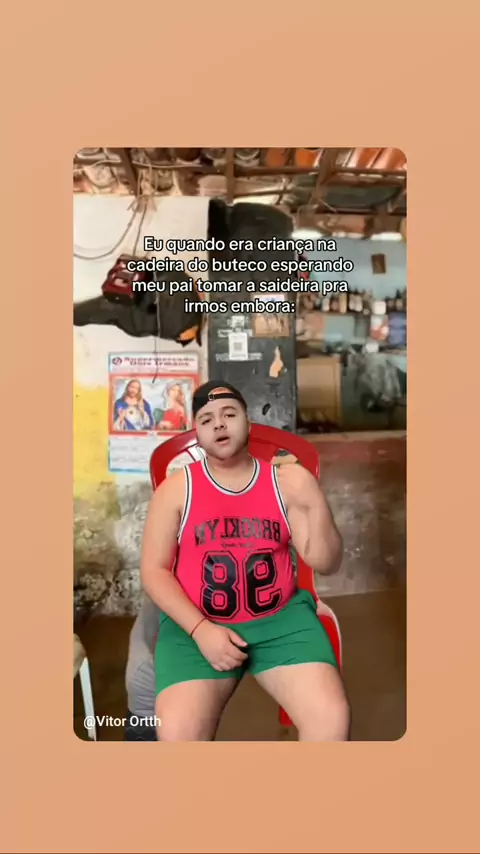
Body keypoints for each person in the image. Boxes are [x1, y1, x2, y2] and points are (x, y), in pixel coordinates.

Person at [141, 380, 350, 742]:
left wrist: (315, 502)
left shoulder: (282, 483)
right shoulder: (175, 491)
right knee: (177, 734)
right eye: (207, 420)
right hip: (196, 624)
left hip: (281, 622)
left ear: (249, 424)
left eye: (229, 414)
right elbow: (153, 571)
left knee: (331, 722)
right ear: (197, 435)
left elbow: (326, 562)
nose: (219, 424)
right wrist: (200, 630)